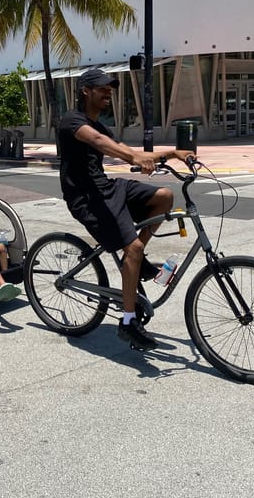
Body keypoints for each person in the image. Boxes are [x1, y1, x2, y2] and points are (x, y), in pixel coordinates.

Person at [58, 67, 194, 350]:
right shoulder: (73, 121)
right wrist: (132, 156)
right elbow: (101, 144)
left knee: (164, 196)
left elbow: (130, 151)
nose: (109, 93)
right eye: (102, 89)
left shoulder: (100, 125)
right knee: (131, 247)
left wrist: (172, 153)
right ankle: (128, 321)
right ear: (86, 91)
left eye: (110, 89)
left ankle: (134, 260)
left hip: (107, 188)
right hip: (85, 198)